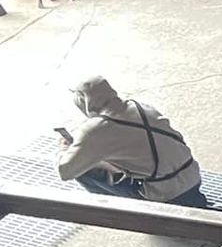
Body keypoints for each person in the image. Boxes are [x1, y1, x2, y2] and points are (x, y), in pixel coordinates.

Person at [54, 77, 209, 207]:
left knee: (83, 171)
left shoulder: (94, 130)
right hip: (193, 178)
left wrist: (63, 149)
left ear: (84, 102)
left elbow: (65, 172)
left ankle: (136, 214)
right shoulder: (141, 106)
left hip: (166, 195)